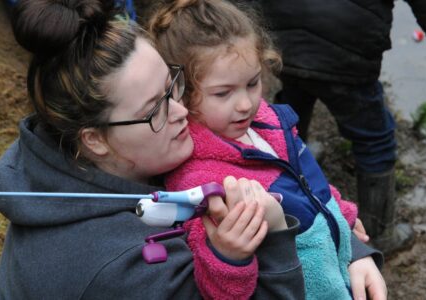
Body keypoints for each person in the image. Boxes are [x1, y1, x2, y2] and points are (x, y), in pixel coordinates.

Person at [0, 0, 305, 298]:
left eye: (172, 86)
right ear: (94, 140)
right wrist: (275, 239)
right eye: (155, 110)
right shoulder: (118, 267)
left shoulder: (80, 157)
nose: (181, 111)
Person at [148, 0, 386, 299]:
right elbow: (217, 288)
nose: (246, 103)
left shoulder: (269, 122)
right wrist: (228, 257)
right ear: (180, 92)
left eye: (252, 82)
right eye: (223, 93)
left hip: (336, 274)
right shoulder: (202, 182)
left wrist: (346, 222)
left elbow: (309, 181)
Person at [254, 0, 426, 254]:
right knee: (374, 139)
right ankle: (379, 234)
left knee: (294, 94)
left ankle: (294, 166)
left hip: (279, 31)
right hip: (346, 48)